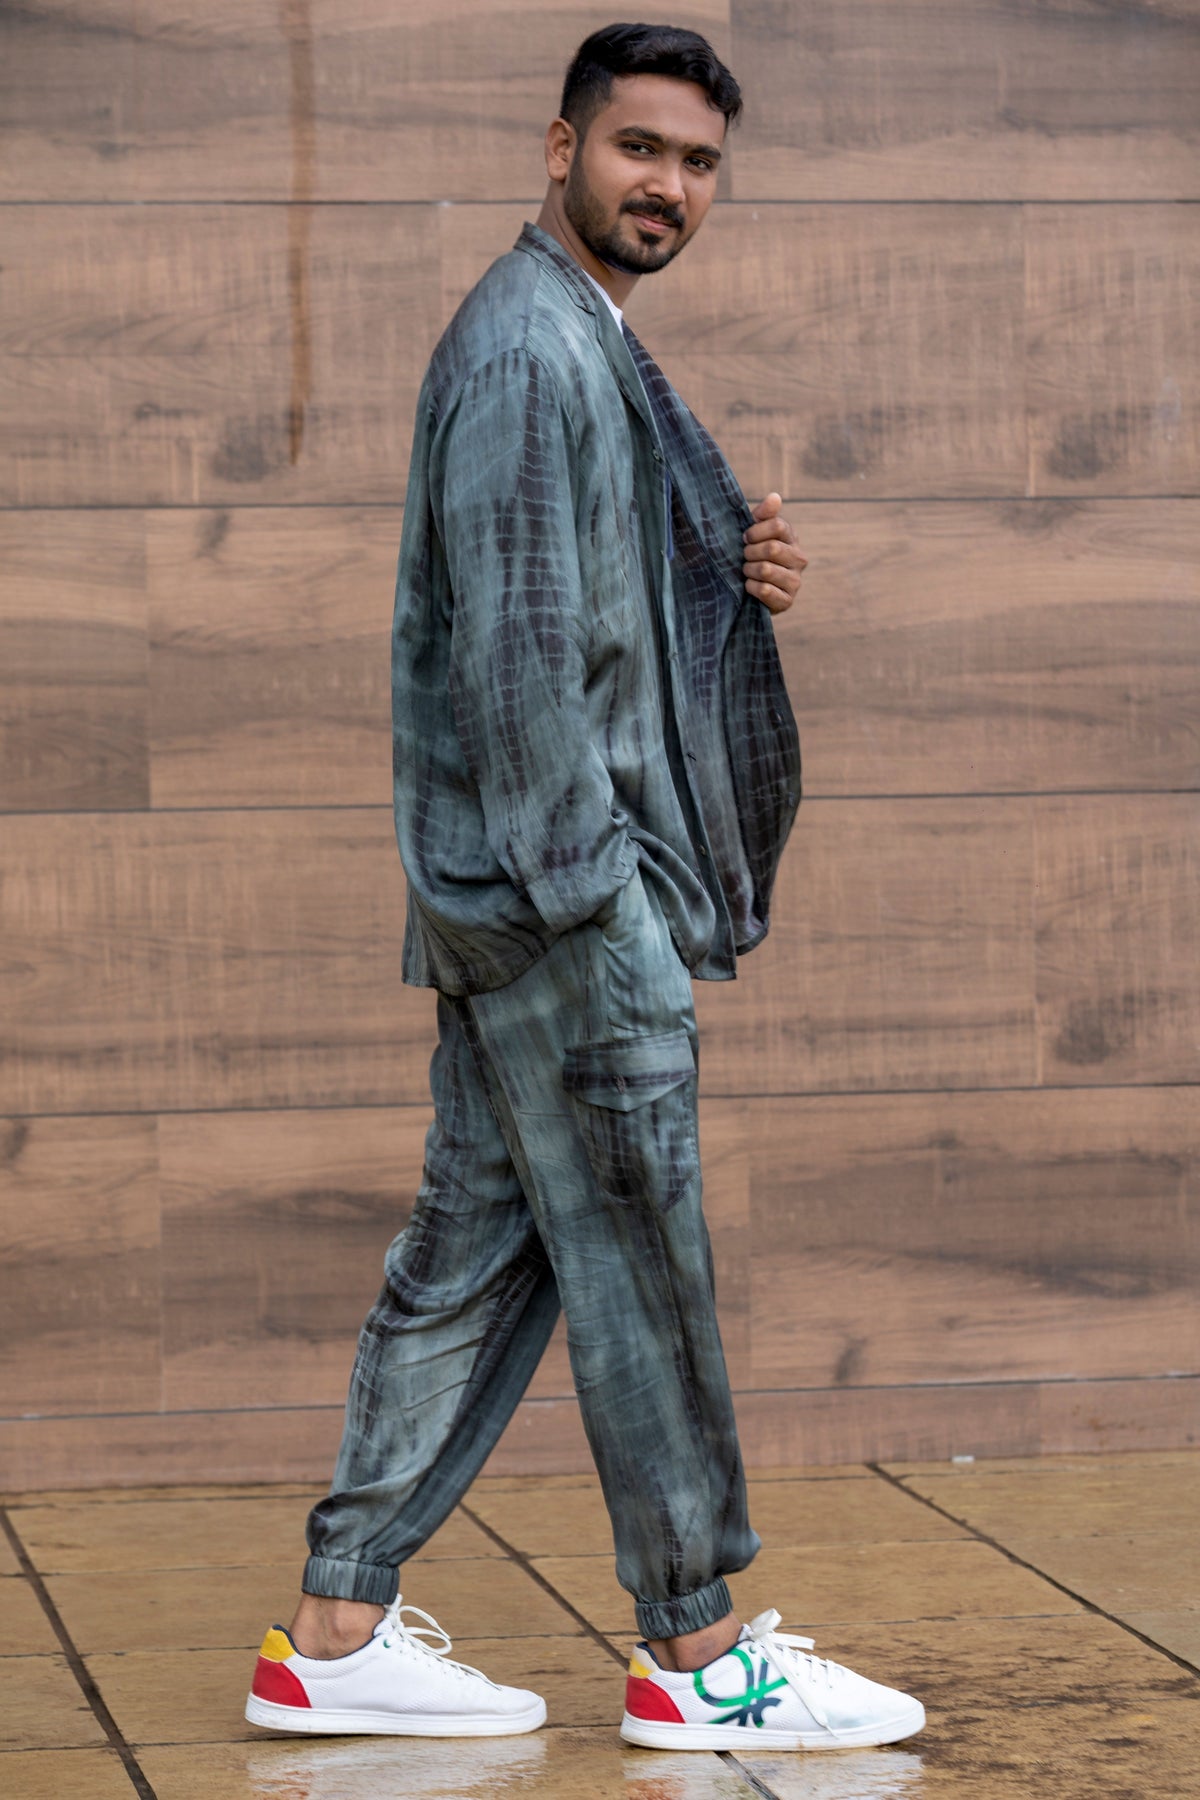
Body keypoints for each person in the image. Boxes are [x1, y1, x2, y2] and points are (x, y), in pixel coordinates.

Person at [244, 22, 924, 1753]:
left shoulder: (574, 339)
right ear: (561, 149)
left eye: (698, 164)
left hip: (531, 904)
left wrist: (727, 578)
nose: (667, 186)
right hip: (564, 909)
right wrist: (597, 906)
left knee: (478, 1260)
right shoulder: (529, 350)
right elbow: (519, 658)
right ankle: (702, 1654)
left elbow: (590, 605)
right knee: (645, 1266)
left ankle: (333, 1633)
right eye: (639, 149)